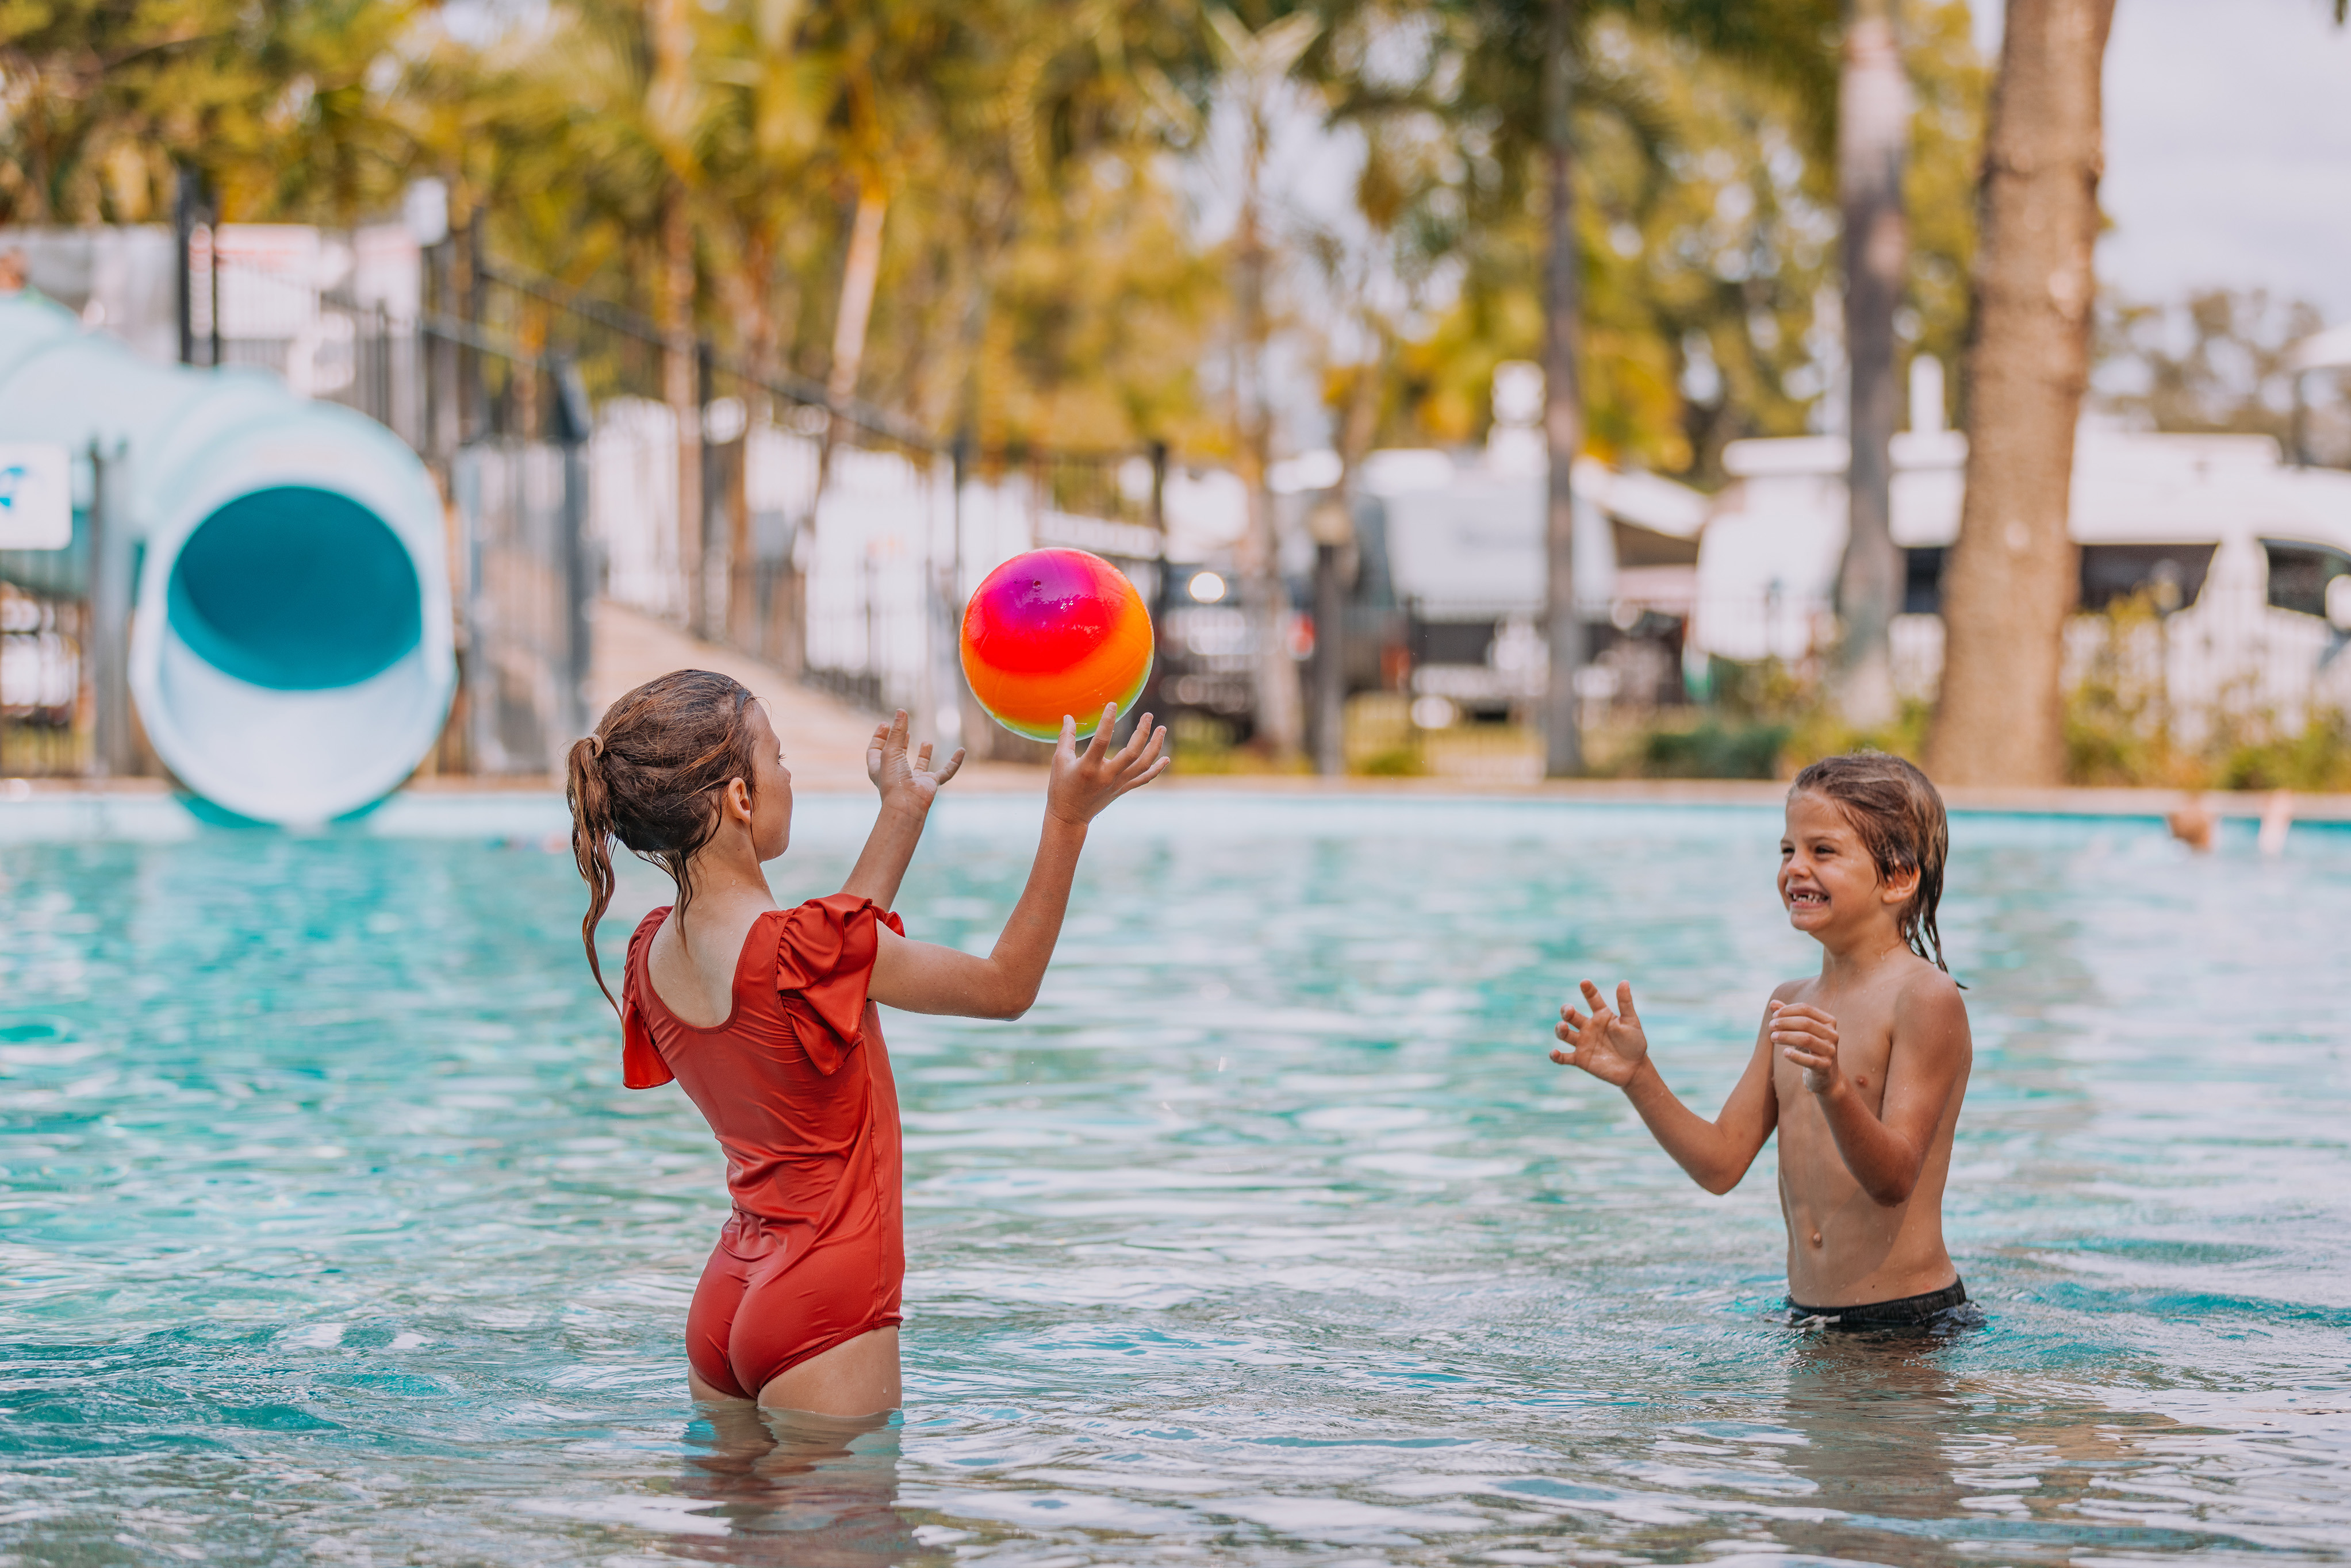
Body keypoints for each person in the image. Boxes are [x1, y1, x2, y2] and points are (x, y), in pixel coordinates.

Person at [566, 670, 1167, 1416]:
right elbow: (1006, 987)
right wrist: (1068, 820)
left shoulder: (652, 953)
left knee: (728, 1533)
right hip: (824, 1304)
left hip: (727, 1298)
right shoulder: (802, 951)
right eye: (778, 759)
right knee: (854, 1535)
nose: (789, 776)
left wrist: (903, 810)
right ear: (741, 799)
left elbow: (820, 961)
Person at [1548, 752, 1974, 1330]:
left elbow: (1895, 1180)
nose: (1796, 867)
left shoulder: (1924, 997)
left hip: (1905, 1325)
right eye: (1787, 850)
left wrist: (1834, 1087)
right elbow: (1721, 1163)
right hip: (1806, 1319)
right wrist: (1639, 1077)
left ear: (1897, 876)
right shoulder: (1790, 1001)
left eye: (1822, 851)